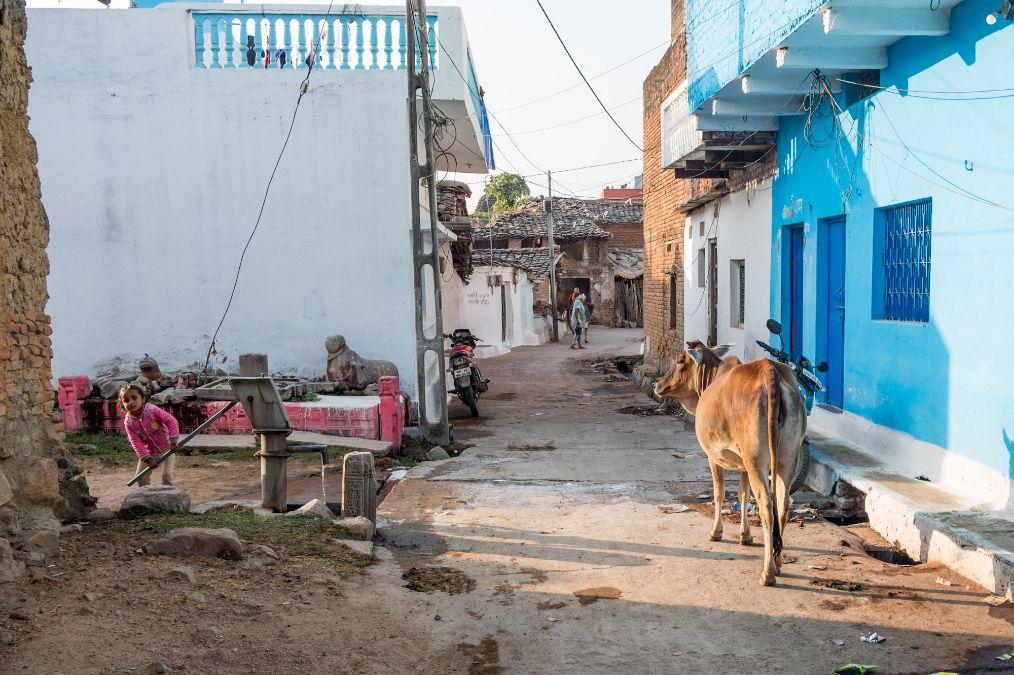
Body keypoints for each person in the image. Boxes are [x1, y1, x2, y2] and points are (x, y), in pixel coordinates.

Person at [118, 383, 180, 486]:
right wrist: (147, 458)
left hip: (167, 447)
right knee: (141, 477)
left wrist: (173, 442)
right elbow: (135, 442)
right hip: (149, 452)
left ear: (142, 399)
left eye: (134, 398)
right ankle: (146, 497)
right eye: (126, 401)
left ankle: (169, 497)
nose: (131, 402)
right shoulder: (129, 422)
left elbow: (171, 421)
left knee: (167, 475)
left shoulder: (151, 410)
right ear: (123, 405)